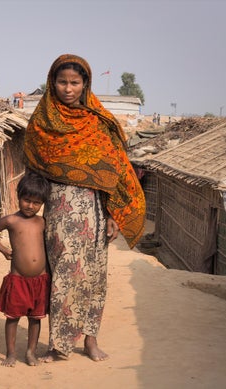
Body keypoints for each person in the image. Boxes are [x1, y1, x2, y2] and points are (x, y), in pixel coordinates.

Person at [23, 54, 146, 362]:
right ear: (52, 83)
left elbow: (114, 170)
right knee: (62, 275)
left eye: (74, 82)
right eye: (62, 82)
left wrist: (113, 214)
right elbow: (34, 171)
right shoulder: (41, 122)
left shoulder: (98, 122)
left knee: (94, 276)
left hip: (93, 211)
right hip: (59, 212)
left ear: (85, 84)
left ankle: (91, 340)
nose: (68, 88)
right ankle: (58, 344)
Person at [0, 172, 52, 367]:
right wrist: (4, 250)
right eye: (26, 200)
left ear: (42, 204)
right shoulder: (11, 221)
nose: (30, 206)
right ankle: (11, 353)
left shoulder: (43, 222)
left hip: (40, 279)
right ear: (18, 196)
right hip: (18, 279)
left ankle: (31, 352)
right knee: (13, 318)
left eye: (36, 203)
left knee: (35, 319)